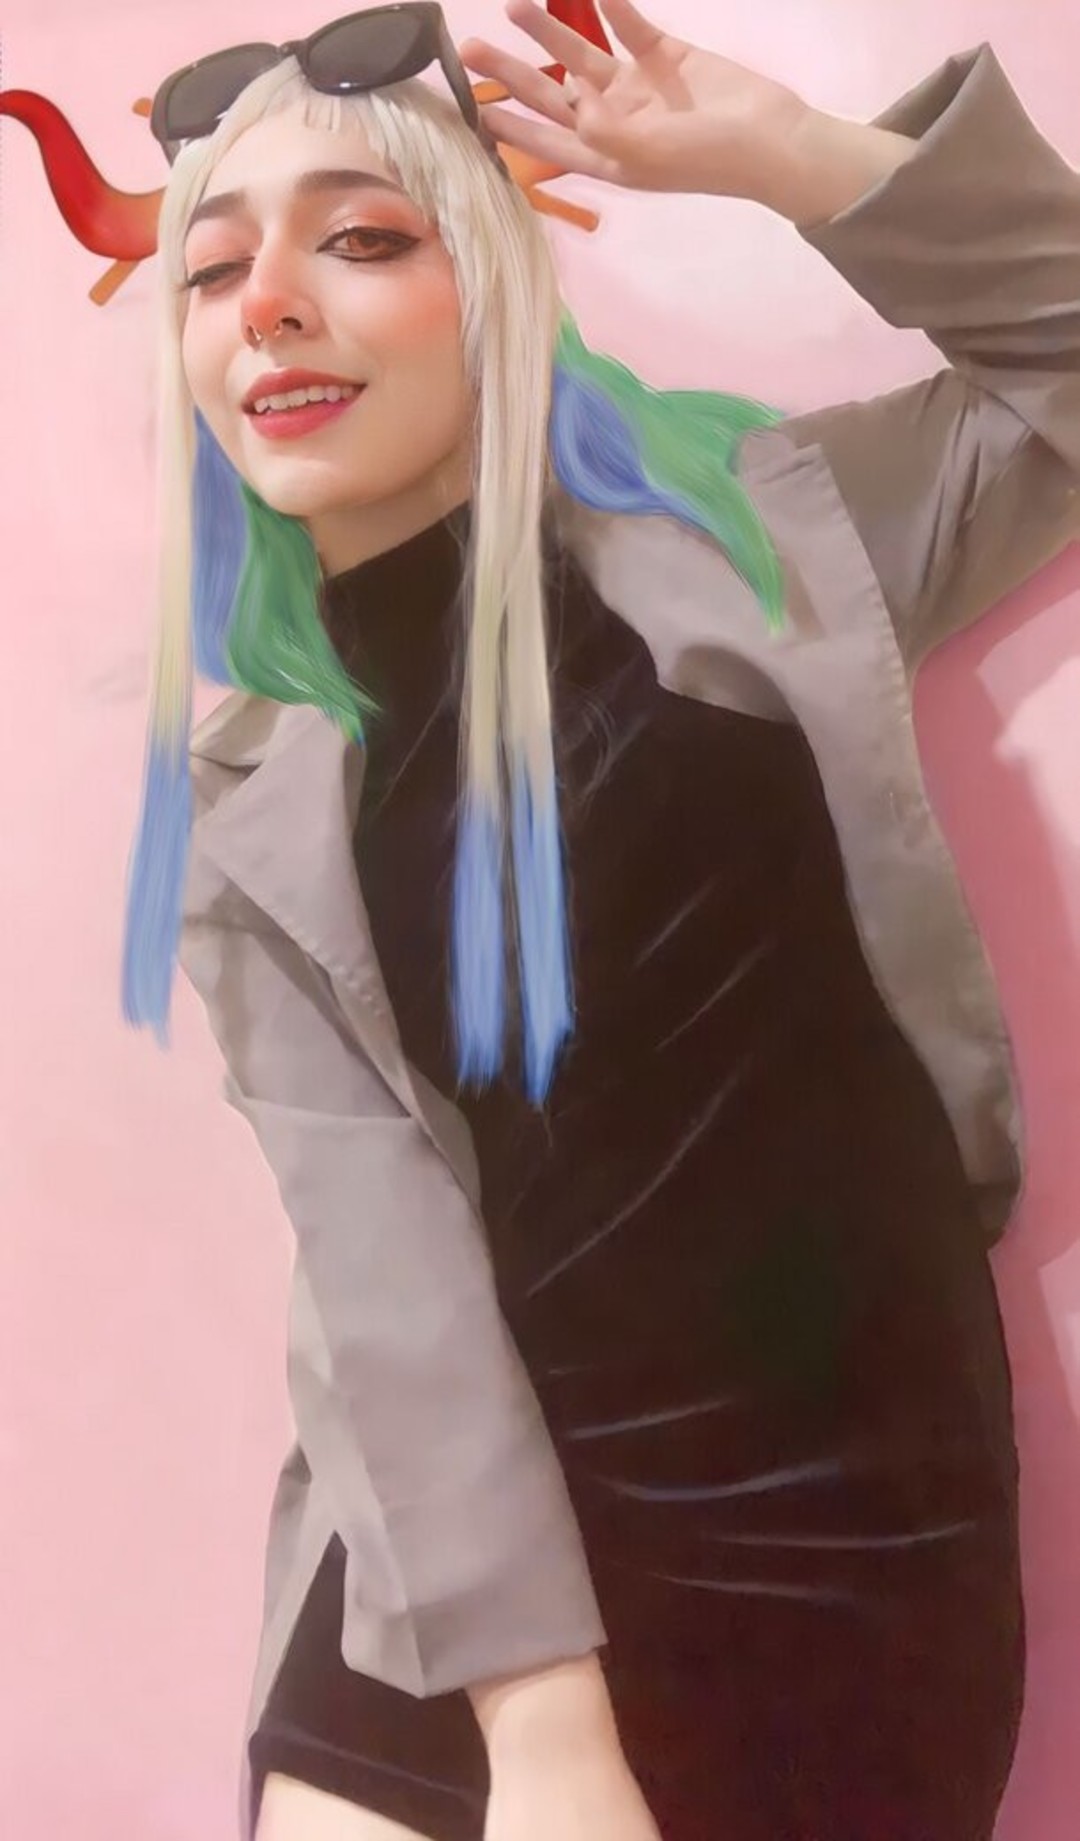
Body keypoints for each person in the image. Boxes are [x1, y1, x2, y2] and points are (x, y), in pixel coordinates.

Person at [122, 1, 1080, 1836]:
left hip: (850, 1539)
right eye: (214, 269)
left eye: (362, 238)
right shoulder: (248, 808)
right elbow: (388, 1279)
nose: (270, 308)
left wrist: (793, 159)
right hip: (472, 1559)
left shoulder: (762, 539)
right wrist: (545, 1730)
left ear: (489, 284)